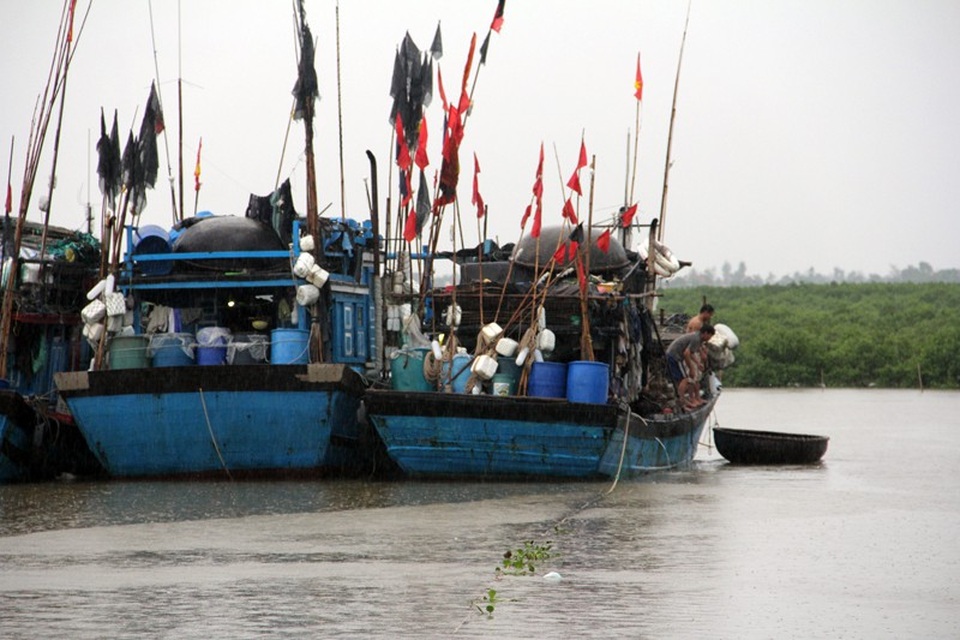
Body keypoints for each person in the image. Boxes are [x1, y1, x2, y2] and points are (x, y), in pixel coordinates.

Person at [666, 323, 716, 410]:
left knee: (681, 379)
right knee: (684, 379)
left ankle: (683, 400)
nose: (709, 339)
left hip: (674, 356)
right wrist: (691, 368)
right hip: (674, 356)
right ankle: (682, 402)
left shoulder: (698, 338)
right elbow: (686, 353)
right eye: (710, 336)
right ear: (706, 333)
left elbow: (691, 353)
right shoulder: (696, 339)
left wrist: (697, 363)